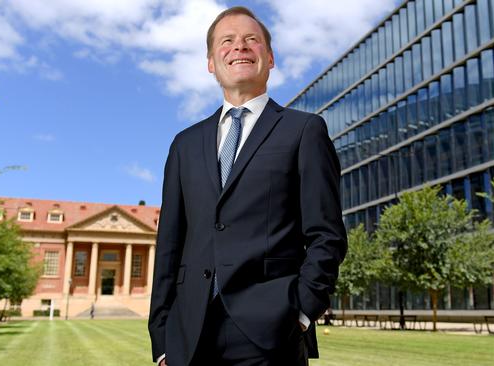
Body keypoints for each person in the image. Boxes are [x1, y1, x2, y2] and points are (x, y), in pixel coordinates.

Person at [148, 6, 347, 366]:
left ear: (269, 58)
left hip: (272, 334)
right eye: (227, 41)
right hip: (189, 336)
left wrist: (301, 311)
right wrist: (162, 336)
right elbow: (169, 245)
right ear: (211, 62)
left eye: (251, 40)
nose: (239, 47)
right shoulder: (184, 144)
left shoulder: (304, 130)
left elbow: (327, 234)